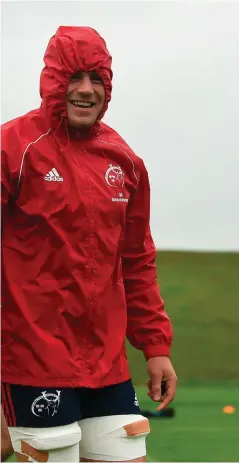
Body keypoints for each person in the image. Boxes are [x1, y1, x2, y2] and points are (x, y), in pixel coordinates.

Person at [1, 26, 177, 462]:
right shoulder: (13, 148)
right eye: (73, 77)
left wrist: (155, 347)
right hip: (30, 358)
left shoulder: (125, 161)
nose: (85, 90)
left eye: (96, 78)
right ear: (52, 81)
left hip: (106, 366)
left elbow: (136, 261)